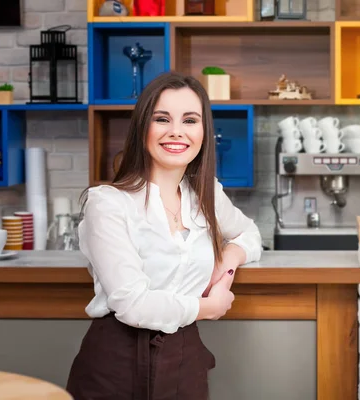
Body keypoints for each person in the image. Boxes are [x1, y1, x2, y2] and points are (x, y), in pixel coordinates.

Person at [66, 71, 263, 400]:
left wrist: (228, 263)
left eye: (189, 120)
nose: (177, 132)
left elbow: (249, 234)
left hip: (184, 362)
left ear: (203, 131)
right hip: (115, 365)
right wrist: (207, 307)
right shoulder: (108, 203)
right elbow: (134, 305)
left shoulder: (205, 195)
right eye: (162, 119)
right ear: (143, 127)